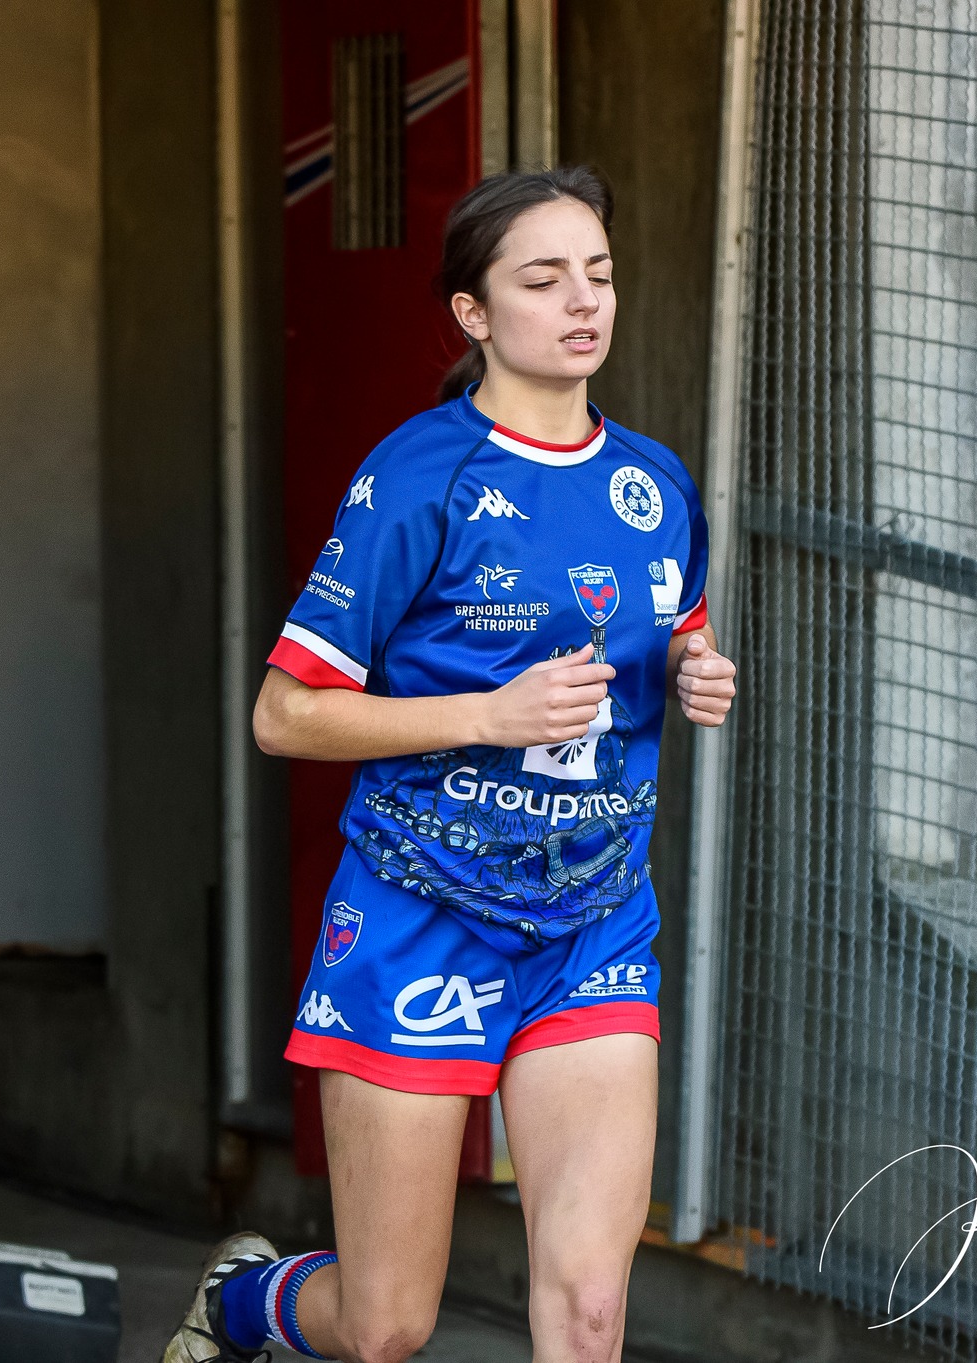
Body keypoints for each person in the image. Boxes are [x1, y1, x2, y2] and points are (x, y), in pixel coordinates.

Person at [165, 167, 738, 1363]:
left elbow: (669, 632)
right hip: (416, 917)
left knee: (588, 1309)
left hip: (590, 924)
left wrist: (695, 674)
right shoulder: (419, 476)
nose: (583, 301)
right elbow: (285, 714)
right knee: (383, 1326)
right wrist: (487, 716)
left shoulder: (655, 484)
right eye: (543, 279)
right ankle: (241, 1304)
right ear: (474, 314)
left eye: (599, 273)